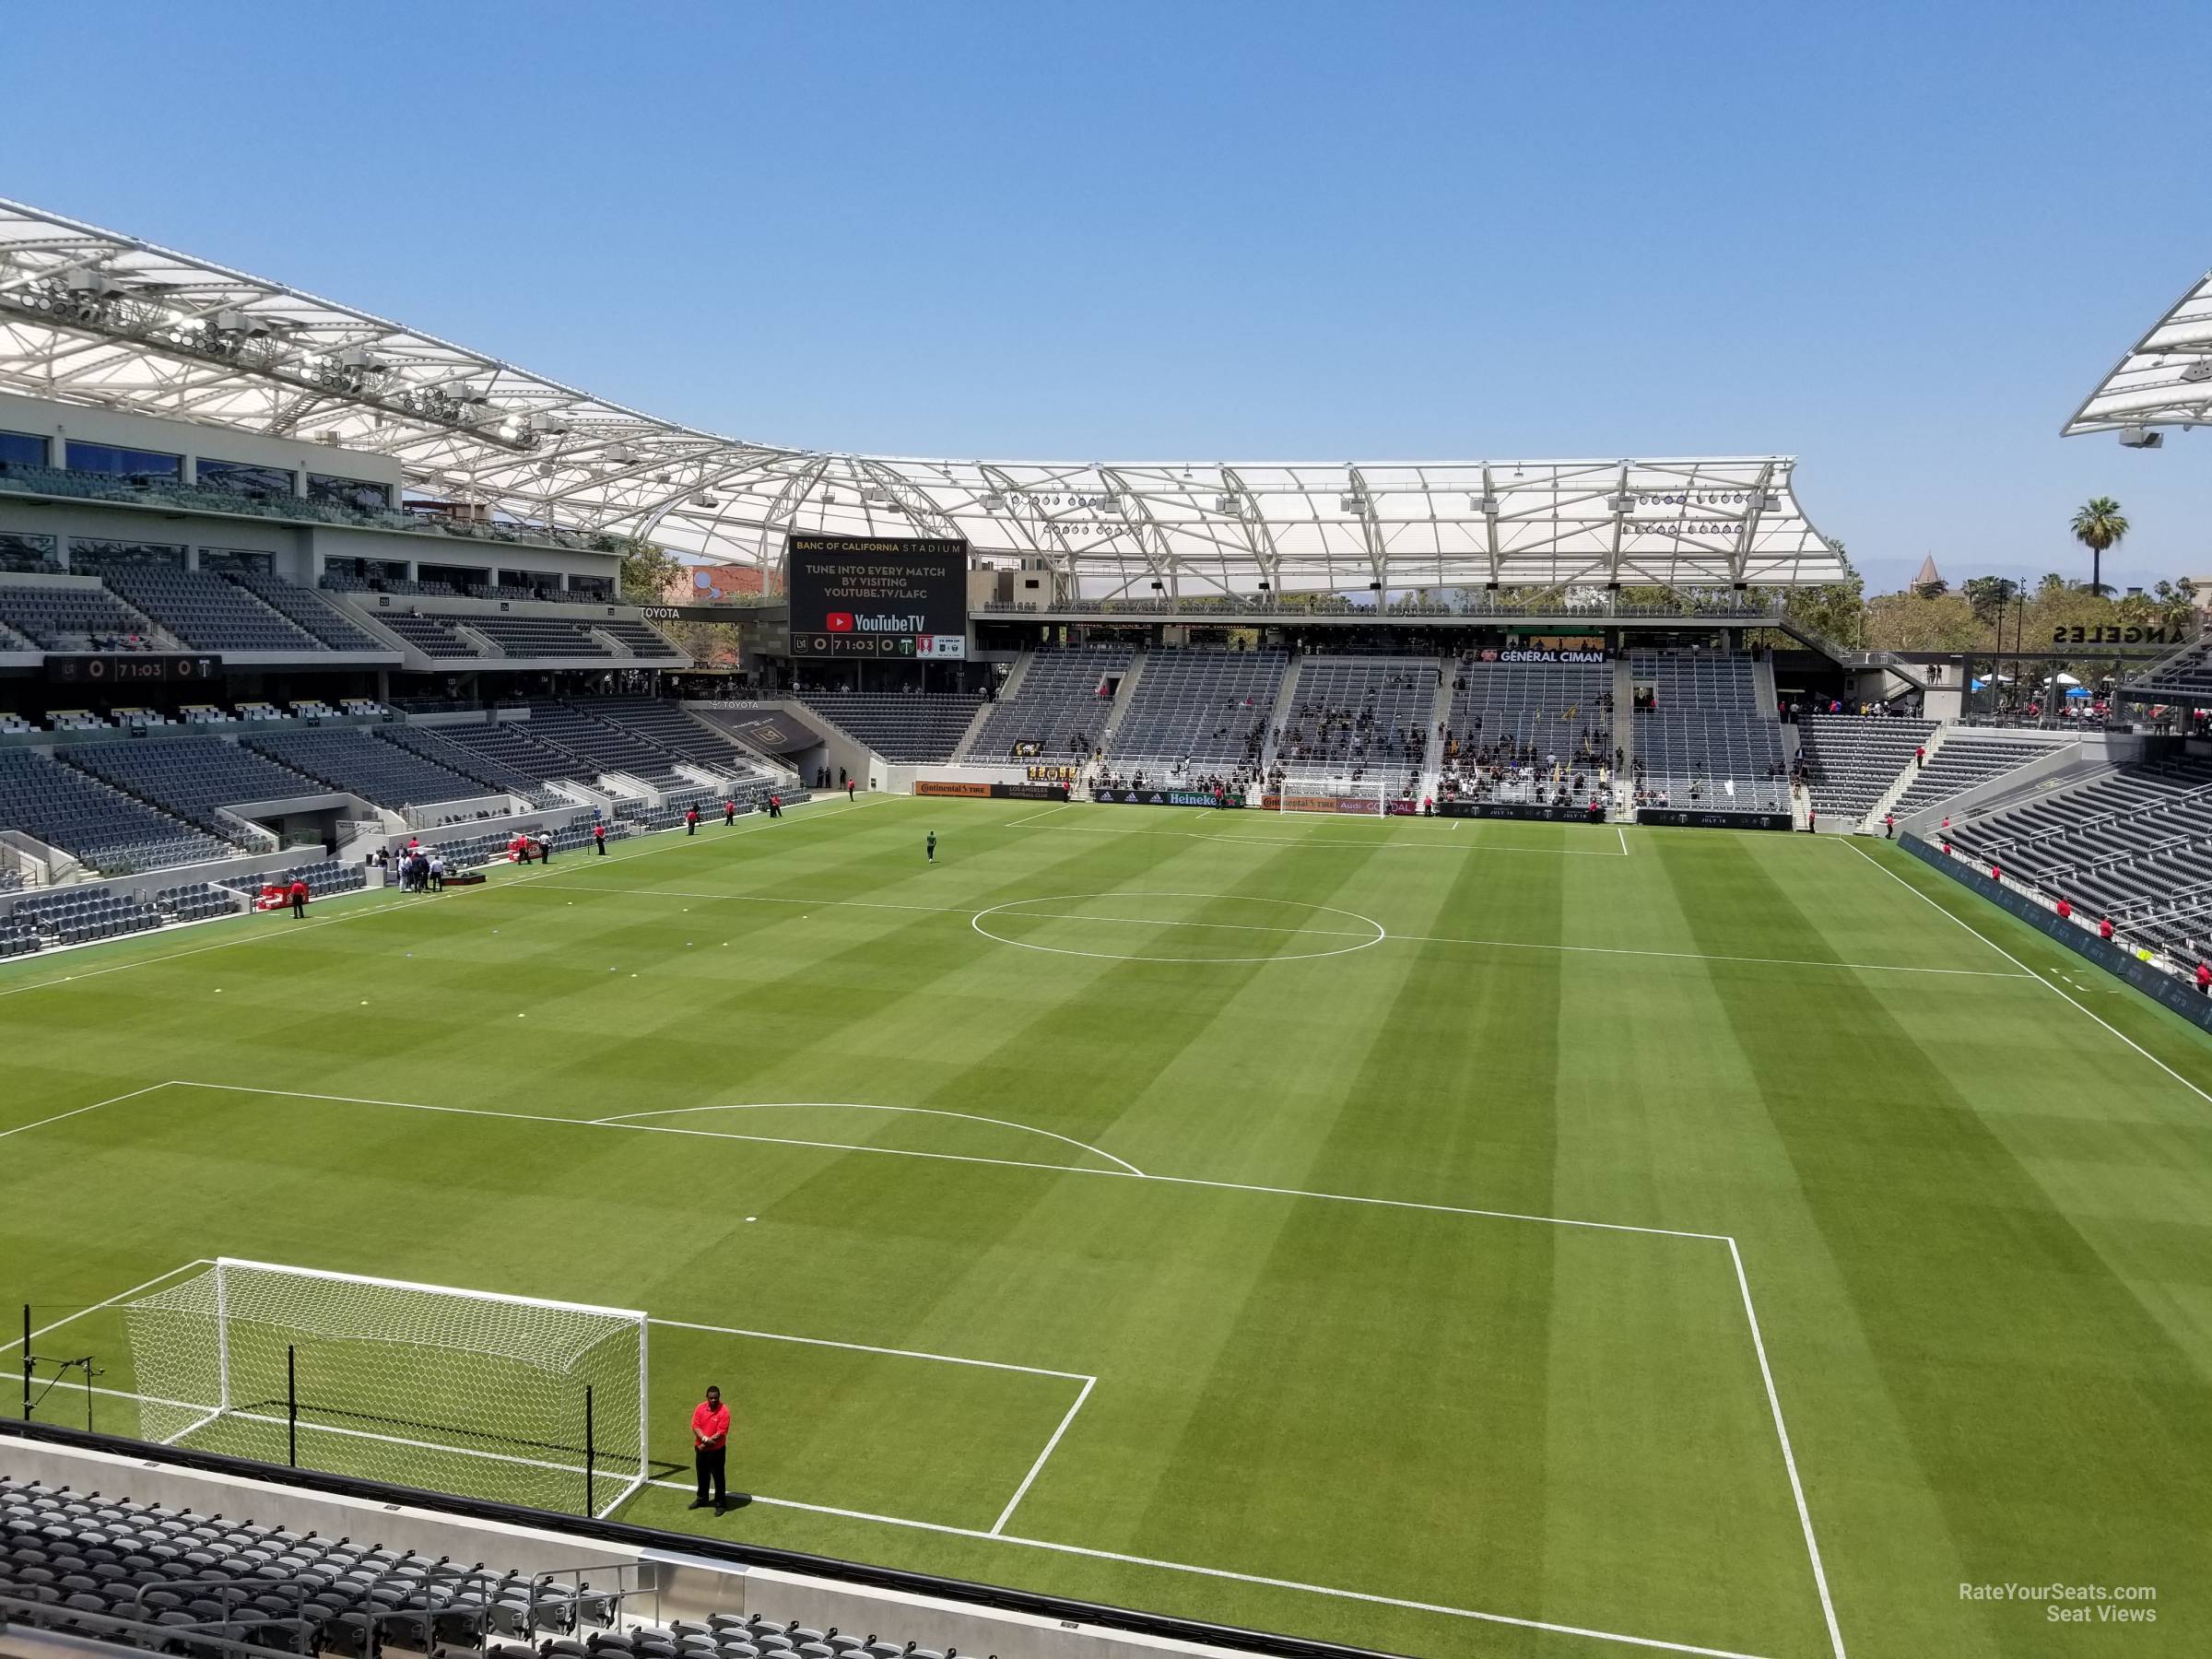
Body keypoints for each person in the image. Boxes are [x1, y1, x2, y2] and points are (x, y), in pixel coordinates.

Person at [689, 1384, 730, 1514]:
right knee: (702, 1475)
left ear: (719, 1397)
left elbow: (720, 1434)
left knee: (718, 1478)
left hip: (717, 1452)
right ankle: (702, 1499)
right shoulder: (700, 1408)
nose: (713, 1400)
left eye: (716, 1398)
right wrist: (705, 1440)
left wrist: (703, 1444)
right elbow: (695, 1426)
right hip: (702, 1450)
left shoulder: (724, 1411)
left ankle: (720, 1504)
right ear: (707, 1397)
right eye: (711, 1398)